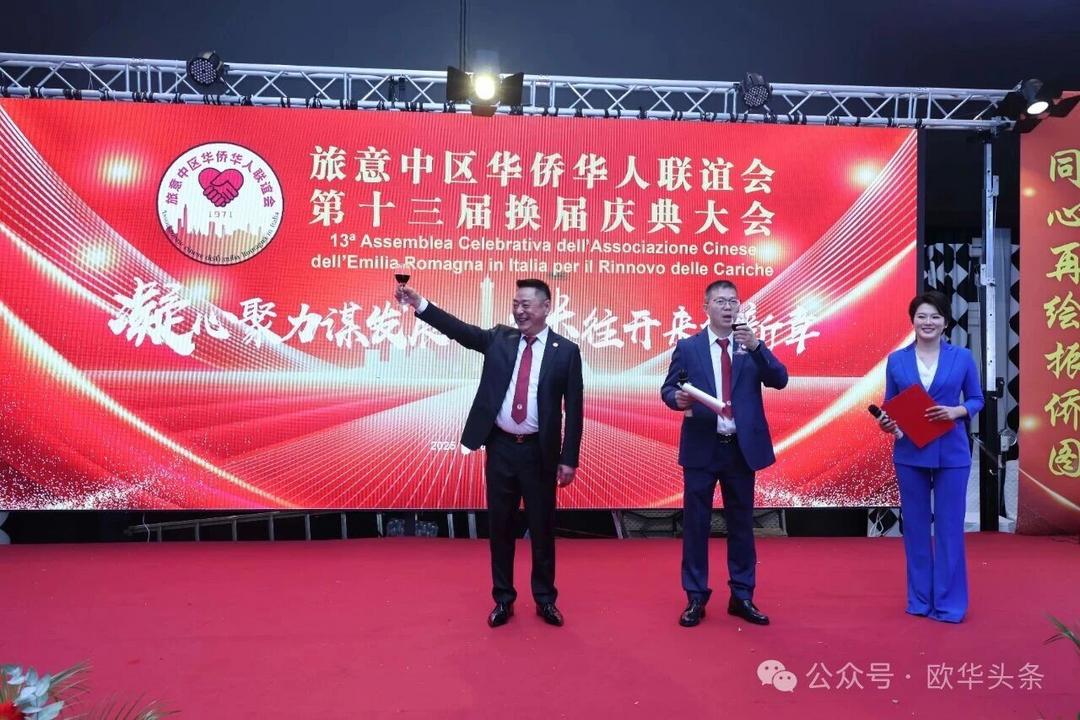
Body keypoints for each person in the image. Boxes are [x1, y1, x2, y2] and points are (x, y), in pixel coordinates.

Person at [396, 278, 583, 628]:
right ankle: (503, 599)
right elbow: (459, 331)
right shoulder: (500, 338)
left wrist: (568, 458)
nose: (519, 311)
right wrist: (420, 304)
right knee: (500, 527)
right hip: (501, 449)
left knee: (542, 529)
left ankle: (545, 599)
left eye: (526, 304)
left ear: (546, 308)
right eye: (516, 304)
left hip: (539, 454)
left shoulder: (566, 351)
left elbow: (574, 409)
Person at [661, 280, 788, 627]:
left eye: (733, 301)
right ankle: (695, 596)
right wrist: (677, 399)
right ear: (706, 308)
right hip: (702, 447)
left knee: (742, 525)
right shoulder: (688, 347)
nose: (727, 307)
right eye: (720, 301)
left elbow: (780, 379)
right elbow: (669, 389)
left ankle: (742, 595)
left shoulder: (750, 346)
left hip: (740, 450)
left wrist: (758, 346)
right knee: (696, 525)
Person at [877, 290, 983, 623]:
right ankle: (920, 600)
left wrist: (956, 411)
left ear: (945, 322)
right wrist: (886, 422)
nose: (928, 322)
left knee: (950, 530)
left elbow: (977, 399)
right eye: (922, 316)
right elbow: (890, 404)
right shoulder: (897, 360)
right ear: (913, 321)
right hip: (910, 453)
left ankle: (950, 604)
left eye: (935, 316)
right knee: (916, 530)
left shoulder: (962, 357)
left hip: (952, 452)